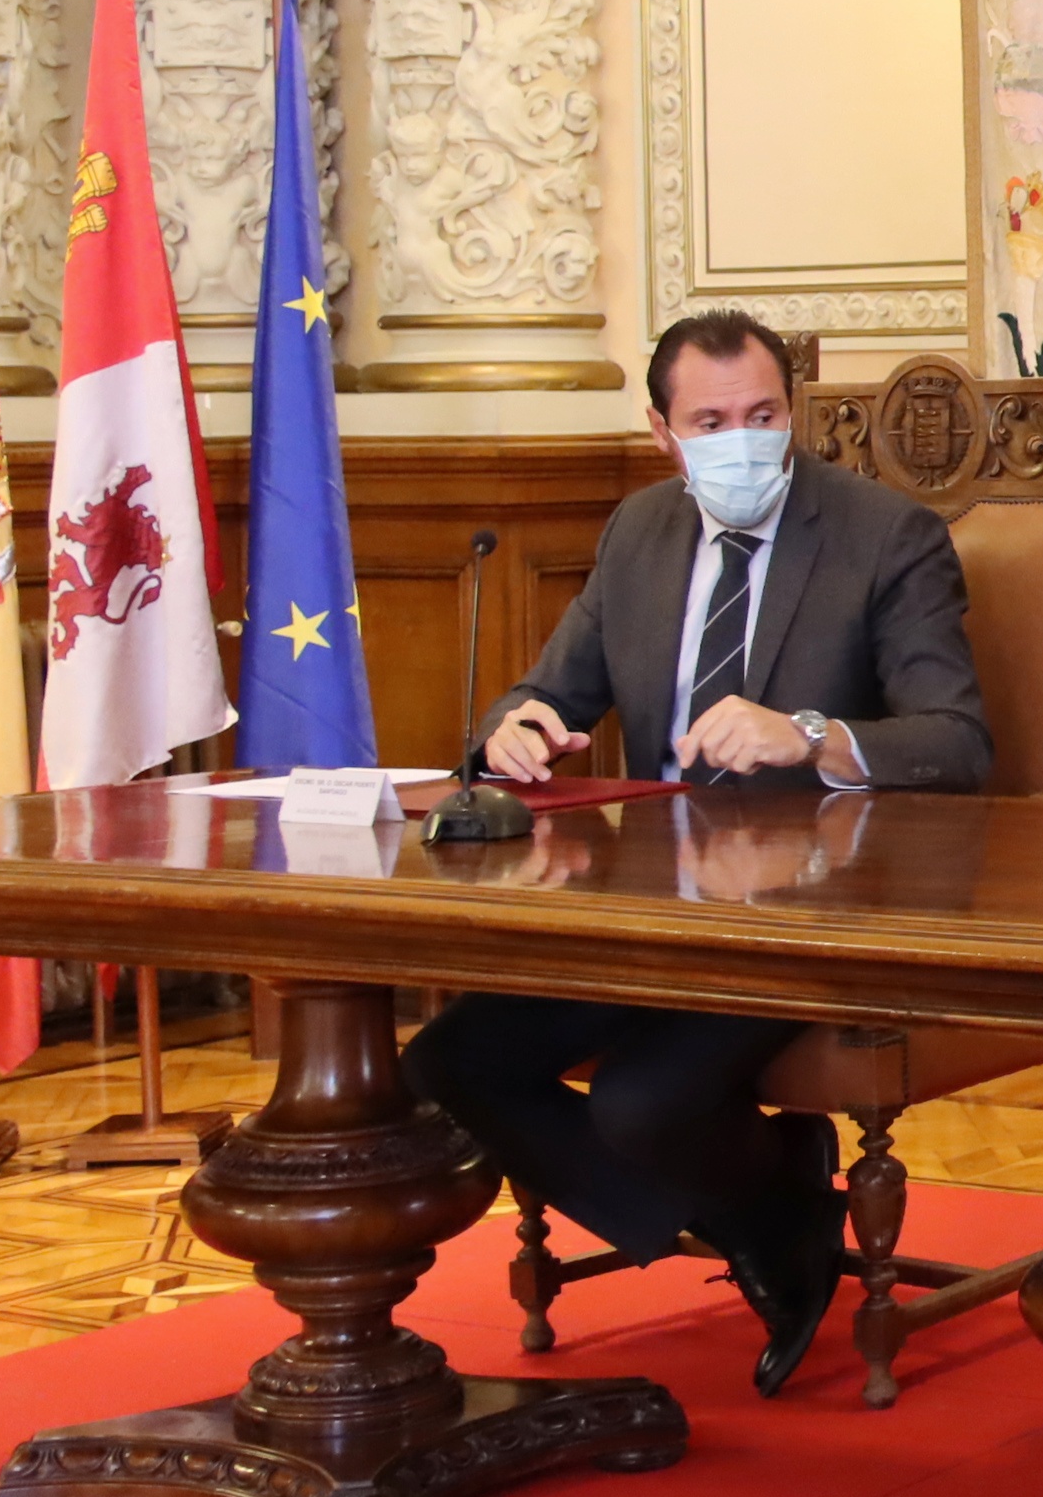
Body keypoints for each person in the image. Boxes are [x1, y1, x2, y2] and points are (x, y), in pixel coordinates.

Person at [403, 310, 989, 1397]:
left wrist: (808, 734)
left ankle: (757, 1208)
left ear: (793, 412)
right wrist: (512, 727)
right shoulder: (639, 532)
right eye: (711, 422)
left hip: (814, 906)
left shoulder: (885, 534)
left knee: (638, 1102)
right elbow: (548, 691)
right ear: (662, 431)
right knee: (451, 1060)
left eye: (763, 415)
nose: (742, 440)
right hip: (648, 905)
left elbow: (956, 743)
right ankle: (771, 1212)